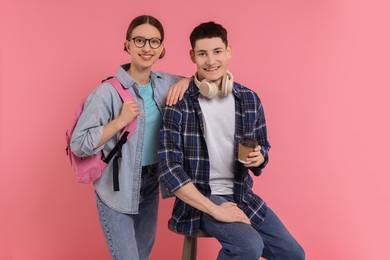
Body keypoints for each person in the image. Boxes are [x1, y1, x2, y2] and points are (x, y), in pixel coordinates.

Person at [158, 21, 305, 259]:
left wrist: (260, 157)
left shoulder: (249, 99)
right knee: (249, 246)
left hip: (242, 195)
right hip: (201, 198)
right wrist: (215, 209)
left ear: (228, 51)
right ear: (192, 56)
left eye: (217, 51)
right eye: (202, 53)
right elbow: (169, 170)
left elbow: (263, 147)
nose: (211, 60)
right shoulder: (179, 104)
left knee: (294, 254)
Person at [70, 15, 190, 260]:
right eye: (139, 40)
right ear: (127, 45)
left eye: (154, 42)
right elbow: (79, 144)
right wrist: (120, 122)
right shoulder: (107, 93)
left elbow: (202, 81)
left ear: (162, 48)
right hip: (117, 189)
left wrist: (187, 80)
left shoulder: (165, 82)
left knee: (142, 256)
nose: (147, 47)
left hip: (150, 182)